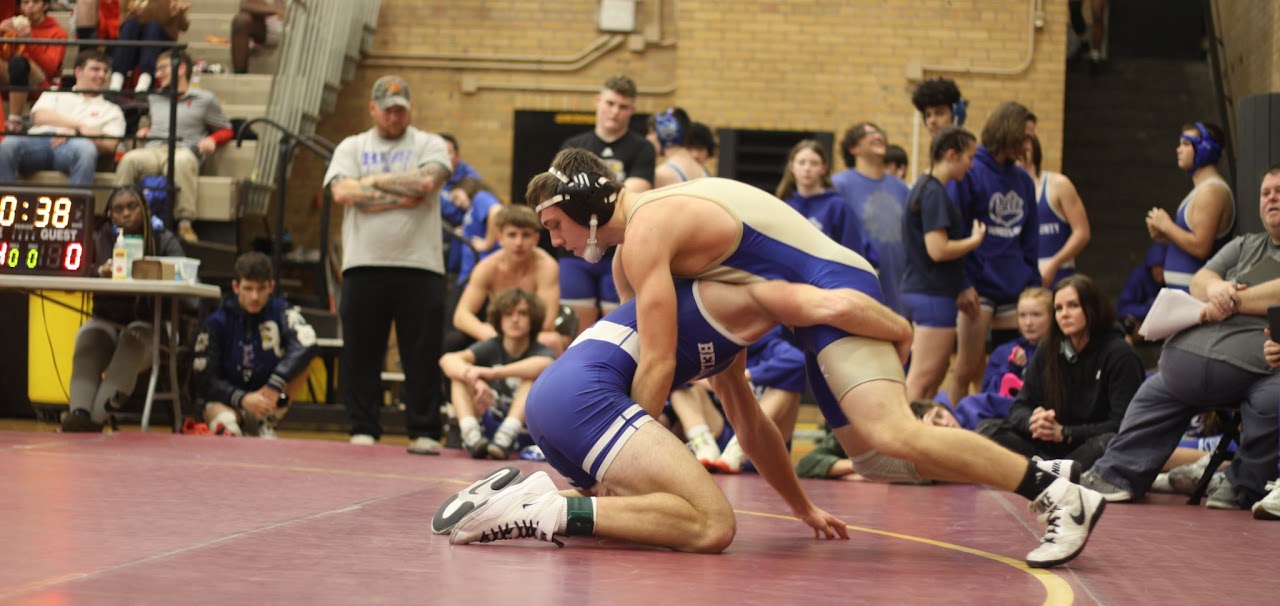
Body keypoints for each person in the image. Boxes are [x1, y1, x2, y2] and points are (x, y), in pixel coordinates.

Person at [524, 147, 1108, 568]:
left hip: (832, 291)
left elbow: (656, 366)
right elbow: (743, 413)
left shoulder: (648, 229)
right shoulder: (643, 258)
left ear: (586, 204)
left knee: (892, 431)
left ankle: (1057, 495)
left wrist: (623, 465)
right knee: (882, 462)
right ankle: (1047, 475)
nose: (557, 242)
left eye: (555, 225)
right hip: (807, 309)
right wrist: (800, 506)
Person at [442, 279, 882, 551]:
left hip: (559, 402)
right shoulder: (710, 295)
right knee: (712, 525)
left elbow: (751, 424)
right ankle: (541, 508)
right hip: (584, 400)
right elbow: (657, 363)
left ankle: (523, 501)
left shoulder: (731, 335)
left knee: (649, 517)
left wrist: (802, 507)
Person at [1081, 165, 1280, 511]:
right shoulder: (1245, 244)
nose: (1272, 198)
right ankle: (1116, 475)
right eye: (1266, 193)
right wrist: (1217, 289)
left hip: (1263, 368)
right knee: (1152, 394)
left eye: (1279, 191)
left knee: (1270, 399)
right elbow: (1200, 279)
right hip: (1185, 365)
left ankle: (1243, 485)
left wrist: (1230, 300)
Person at [325, 75, 451, 454]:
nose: (395, 117)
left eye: (401, 110)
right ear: (372, 109)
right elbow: (342, 192)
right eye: (388, 110)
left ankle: (424, 430)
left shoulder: (429, 143)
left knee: (421, 352)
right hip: (364, 263)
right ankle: (363, 426)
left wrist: (373, 182)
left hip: (421, 265)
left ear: (410, 109)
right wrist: (398, 195)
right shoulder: (352, 145)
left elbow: (427, 185)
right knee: (362, 351)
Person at [977, 275, 1143, 470]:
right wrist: (1033, 421)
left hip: (1090, 445)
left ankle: (1043, 472)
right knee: (987, 429)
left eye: (1073, 306)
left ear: (1093, 308)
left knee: (1111, 441)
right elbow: (1019, 406)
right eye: (1058, 308)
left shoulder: (1120, 354)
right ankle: (1053, 471)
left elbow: (1122, 424)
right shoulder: (1048, 348)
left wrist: (1065, 432)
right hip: (1051, 446)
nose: (1064, 314)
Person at [60, 186, 184, 432]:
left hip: (150, 325)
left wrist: (156, 275)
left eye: (132, 207)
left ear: (145, 210)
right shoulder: (99, 237)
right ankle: (79, 413)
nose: (125, 214)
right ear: (110, 215)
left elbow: (186, 279)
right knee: (88, 338)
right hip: (106, 320)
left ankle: (93, 422)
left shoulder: (163, 239)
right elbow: (79, 272)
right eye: (118, 209)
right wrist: (98, 272)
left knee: (131, 341)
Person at [944, 101, 1039, 407]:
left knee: (1012, 367)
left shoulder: (1023, 180)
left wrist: (1032, 284)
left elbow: (1030, 238)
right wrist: (962, 283)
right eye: (1025, 137)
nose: (1029, 145)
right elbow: (957, 231)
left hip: (1015, 288)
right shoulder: (973, 172)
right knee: (967, 368)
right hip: (978, 286)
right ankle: (951, 436)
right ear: (1007, 131)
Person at [557, 75, 655, 334]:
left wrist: (583, 195)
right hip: (576, 250)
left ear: (632, 111)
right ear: (598, 101)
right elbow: (561, 198)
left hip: (621, 249)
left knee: (618, 329)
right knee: (576, 331)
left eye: (623, 107)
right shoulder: (573, 146)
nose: (615, 112)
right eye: (610, 103)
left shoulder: (642, 148)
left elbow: (634, 194)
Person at [192, 252, 318, 438]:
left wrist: (276, 384)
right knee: (226, 426)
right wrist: (242, 399)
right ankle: (233, 425)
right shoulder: (216, 322)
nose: (255, 296)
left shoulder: (281, 310)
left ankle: (267, 422)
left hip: (268, 396)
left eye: (261, 288)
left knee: (304, 362)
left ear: (271, 286)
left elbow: (307, 343)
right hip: (228, 400)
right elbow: (204, 379)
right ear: (235, 286)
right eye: (248, 288)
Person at [900, 126, 985, 401]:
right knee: (923, 380)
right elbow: (938, 250)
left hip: (929, 291)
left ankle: (913, 440)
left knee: (930, 380)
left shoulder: (927, 188)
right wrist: (974, 240)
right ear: (951, 154)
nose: (971, 165)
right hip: (931, 295)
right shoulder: (933, 192)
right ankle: (899, 442)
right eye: (969, 157)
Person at [114, 50, 233, 243]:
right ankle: (117, 218)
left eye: (163, 69)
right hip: (154, 150)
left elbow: (227, 129)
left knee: (180, 161)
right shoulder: (155, 98)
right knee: (130, 159)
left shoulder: (204, 99)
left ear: (182, 68)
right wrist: (148, 130)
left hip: (184, 150)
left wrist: (213, 139)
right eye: (157, 70)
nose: (158, 74)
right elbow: (158, 122)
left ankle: (185, 223)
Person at [439, 288, 555, 459]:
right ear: (499, 319)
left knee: (531, 378)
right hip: (488, 428)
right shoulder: (493, 345)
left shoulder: (540, 350)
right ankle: (471, 436)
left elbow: (545, 364)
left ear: (533, 319)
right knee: (460, 378)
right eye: (508, 314)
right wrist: (475, 379)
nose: (515, 320)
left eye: (522, 314)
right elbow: (447, 360)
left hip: (521, 431)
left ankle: (506, 436)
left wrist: (491, 373)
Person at [449, 205, 562, 354]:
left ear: (536, 238)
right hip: (497, 333)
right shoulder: (487, 267)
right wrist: (487, 333)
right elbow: (461, 316)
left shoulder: (547, 266)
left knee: (552, 340)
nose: (518, 243)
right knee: (452, 344)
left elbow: (547, 322)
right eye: (512, 235)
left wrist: (516, 337)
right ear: (500, 238)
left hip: (532, 334)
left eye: (526, 235)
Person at [0, 50, 124, 187]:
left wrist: (77, 136)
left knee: (86, 150)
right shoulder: (57, 92)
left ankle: (77, 206)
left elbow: (111, 145)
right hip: (39, 141)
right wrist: (78, 126)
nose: (102, 75)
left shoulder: (112, 110)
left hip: (74, 147)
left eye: (105, 71)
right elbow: (39, 116)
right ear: (78, 71)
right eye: (95, 69)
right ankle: (5, 202)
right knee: (8, 144)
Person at [1146, 122, 1235, 292]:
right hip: (1184, 294)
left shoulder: (1212, 191)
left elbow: (1201, 248)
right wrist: (1164, 234)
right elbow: (1191, 241)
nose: (1178, 150)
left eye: (1186, 144)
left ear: (1205, 149)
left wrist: (1167, 225)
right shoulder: (1202, 190)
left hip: (1194, 296)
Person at [832, 121, 910, 314]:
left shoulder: (901, 187)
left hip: (898, 289)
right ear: (854, 148)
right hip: (858, 288)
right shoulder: (839, 185)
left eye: (879, 132)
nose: (878, 135)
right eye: (869, 134)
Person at [949, 287, 1054, 429]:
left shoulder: (1059, 351)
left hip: (1041, 414)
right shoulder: (1004, 351)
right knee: (970, 405)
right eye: (1022, 315)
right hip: (1006, 413)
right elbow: (989, 393)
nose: (1028, 322)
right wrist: (1010, 368)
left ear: (1052, 317)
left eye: (1036, 315)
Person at [796, 400, 961, 481]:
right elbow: (805, 464)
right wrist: (865, 467)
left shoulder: (976, 423)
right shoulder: (867, 430)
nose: (947, 424)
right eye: (935, 424)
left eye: (940, 415)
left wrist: (873, 472)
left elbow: (929, 475)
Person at [1021, 134, 1091, 287]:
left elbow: (1082, 232)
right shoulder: (1008, 193)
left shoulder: (1057, 184)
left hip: (1058, 276)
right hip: (1023, 279)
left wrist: (1054, 263)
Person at [0, 0, 67, 133]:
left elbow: (50, 68)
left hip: (40, 83)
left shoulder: (57, 32)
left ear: (45, 5)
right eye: (25, 2)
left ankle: (14, 120)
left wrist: (29, 41)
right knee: (15, 63)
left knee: (19, 61)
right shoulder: (11, 26)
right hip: (11, 79)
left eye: (35, 2)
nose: (30, 7)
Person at [108, 0, 190, 93]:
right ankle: (116, 81)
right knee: (131, 24)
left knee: (153, 27)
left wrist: (180, 14)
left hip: (160, 41)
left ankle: (144, 82)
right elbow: (122, 22)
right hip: (136, 41)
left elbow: (184, 26)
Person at [452, 176, 504, 287]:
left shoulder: (480, 197)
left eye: (456, 197)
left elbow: (496, 211)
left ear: (465, 187)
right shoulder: (471, 210)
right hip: (469, 277)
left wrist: (487, 244)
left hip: (481, 276)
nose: (456, 203)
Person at [1116, 242, 1167, 339]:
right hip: (1141, 323)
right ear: (1150, 268)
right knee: (1127, 323)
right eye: (1157, 271)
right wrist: (1149, 309)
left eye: (1163, 272)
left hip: (1164, 325)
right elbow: (1123, 308)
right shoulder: (1138, 277)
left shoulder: (1170, 280)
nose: (1160, 277)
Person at [652, 107, 710, 187]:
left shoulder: (662, 174)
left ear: (663, 135)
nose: (648, 138)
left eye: (651, 132)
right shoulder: (703, 171)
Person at [231, 0, 286, 74]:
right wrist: (276, 10)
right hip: (267, 27)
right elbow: (245, 4)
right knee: (240, 21)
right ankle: (240, 75)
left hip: (294, 28)